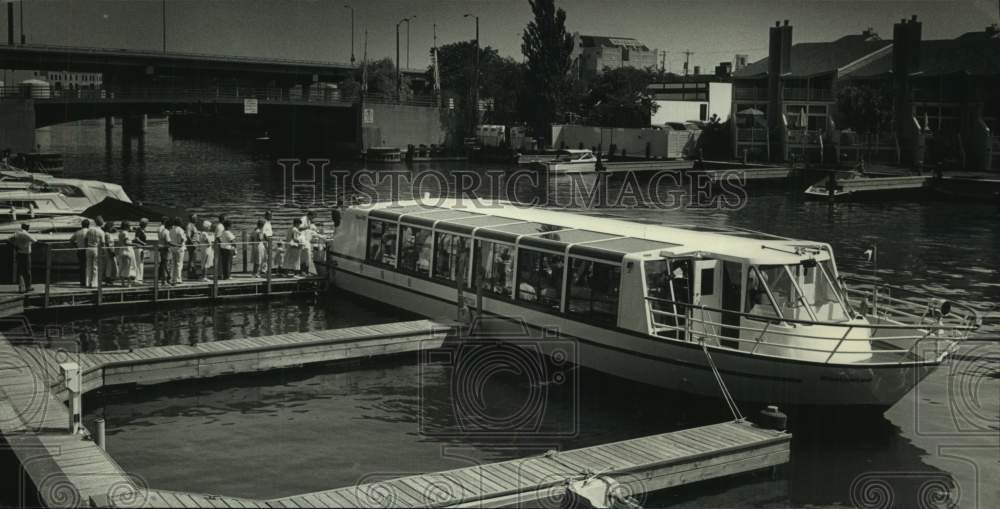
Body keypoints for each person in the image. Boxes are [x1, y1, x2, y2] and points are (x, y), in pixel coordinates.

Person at [9, 223, 37, 293]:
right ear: (27, 227)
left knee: (20, 271)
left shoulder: (17, 233)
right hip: (26, 254)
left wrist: (15, 246)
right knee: (27, 271)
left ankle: (20, 287)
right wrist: (28, 243)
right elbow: (35, 240)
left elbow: (9, 239)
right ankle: (28, 287)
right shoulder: (26, 234)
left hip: (19, 254)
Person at [69, 219, 89, 287]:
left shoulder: (78, 232)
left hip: (80, 250)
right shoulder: (89, 232)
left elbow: (71, 240)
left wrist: (76, 246)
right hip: (87, 250)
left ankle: (82, 281)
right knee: (88, 266)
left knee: (81, 267)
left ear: (82, 225)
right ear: (88, 225)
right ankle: (87, 281)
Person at [116, 221, 137, 287]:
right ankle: (129, 283)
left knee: (122, 266)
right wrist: (135, 244)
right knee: (129, 266)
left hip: (122, 250)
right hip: (127, 250)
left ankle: (123, 283)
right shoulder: (126, 233)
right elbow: (126, 242)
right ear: (126, 226)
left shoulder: (120, 233)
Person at [168, 216, 187, 285]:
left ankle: (172, 278)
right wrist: (180, 243)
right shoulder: (180, 229)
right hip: (179, 248)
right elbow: (183, 238)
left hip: (173, 248)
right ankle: (178, 278)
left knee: (173, 264)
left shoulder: (171, 229)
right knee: (179, 263)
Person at [84, 219, 103, 288]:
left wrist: (86, 247)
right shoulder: (101, 231)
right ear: (101, 224)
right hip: (96, 249)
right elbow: (102, 243)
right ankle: (94, 283)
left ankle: (87, 283)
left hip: (89, 248)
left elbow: (85, 239)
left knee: (88, 266)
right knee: (95, 267)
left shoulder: (90, 229)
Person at [157, 217, 171, 284]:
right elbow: (168, 241)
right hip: (165, 249)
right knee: (166, 264)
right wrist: (176, 244)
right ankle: (166, 279)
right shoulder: (165, 231)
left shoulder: (161, 229)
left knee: (163, 264)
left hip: (161, 247)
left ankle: (164, 278)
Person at [134, 218, 149, 284]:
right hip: (138, 248)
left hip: (141, 248)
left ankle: (140, 278)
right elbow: (136, 238)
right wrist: (143, 243)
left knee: (141, 263)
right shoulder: (139, 230)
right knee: (139, 263)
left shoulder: (143, 230)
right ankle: (138, 279)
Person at [185, 214, 200, 278]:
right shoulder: (189, 226)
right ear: (192, 218)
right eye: (195, 218)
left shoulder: (193, 226)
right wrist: (192, 244)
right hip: (192, 245)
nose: (197, 219)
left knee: (193, 259)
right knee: (192, 259)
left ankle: (193, 273)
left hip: (195, 245)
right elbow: (188, 236)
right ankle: (190, 274)